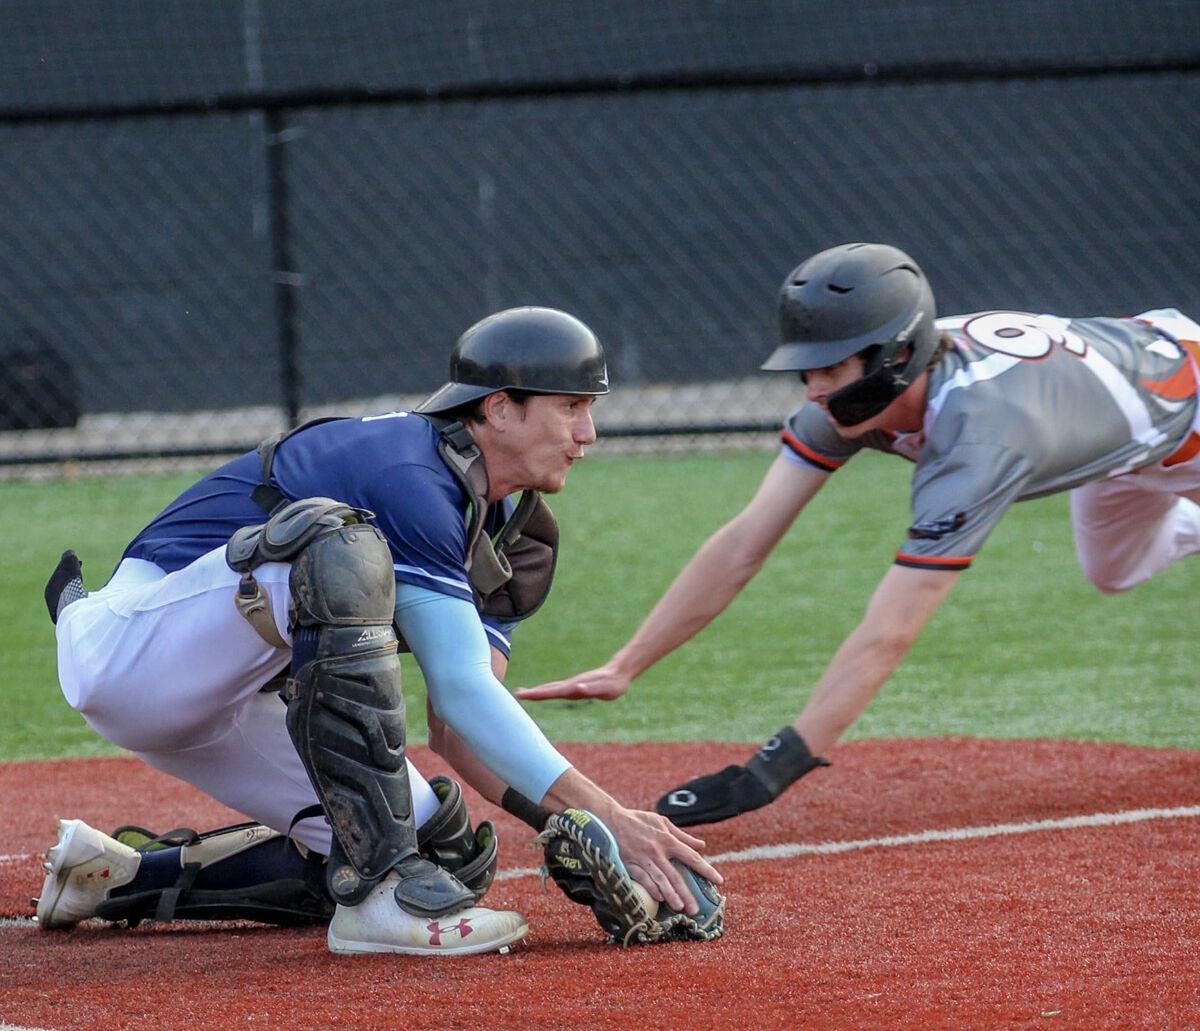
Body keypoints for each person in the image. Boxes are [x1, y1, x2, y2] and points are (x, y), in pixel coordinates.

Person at [37, 306, 721, 955]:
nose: (588, 433)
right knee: (336, 553)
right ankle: (382, 895)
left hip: (234, 695)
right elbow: (458, 691)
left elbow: (459, 724)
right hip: (133, 650)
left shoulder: (511, 534)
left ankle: (117, 878)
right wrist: (612, 814)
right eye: (570, 406)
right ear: (498, 406)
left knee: (444, 853)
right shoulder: (410, 473)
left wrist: (577, 830)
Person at [518, 243, 1200, 826]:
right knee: (1111, 571)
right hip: (1128, 443)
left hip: (1186, 408)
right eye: (806, 368)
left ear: (895, 355)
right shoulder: (852, 400)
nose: (814, 389)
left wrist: (772, 769)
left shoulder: (980, 432)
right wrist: (626, 662)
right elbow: (746, 539)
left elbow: (891, 628)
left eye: (831, 366)